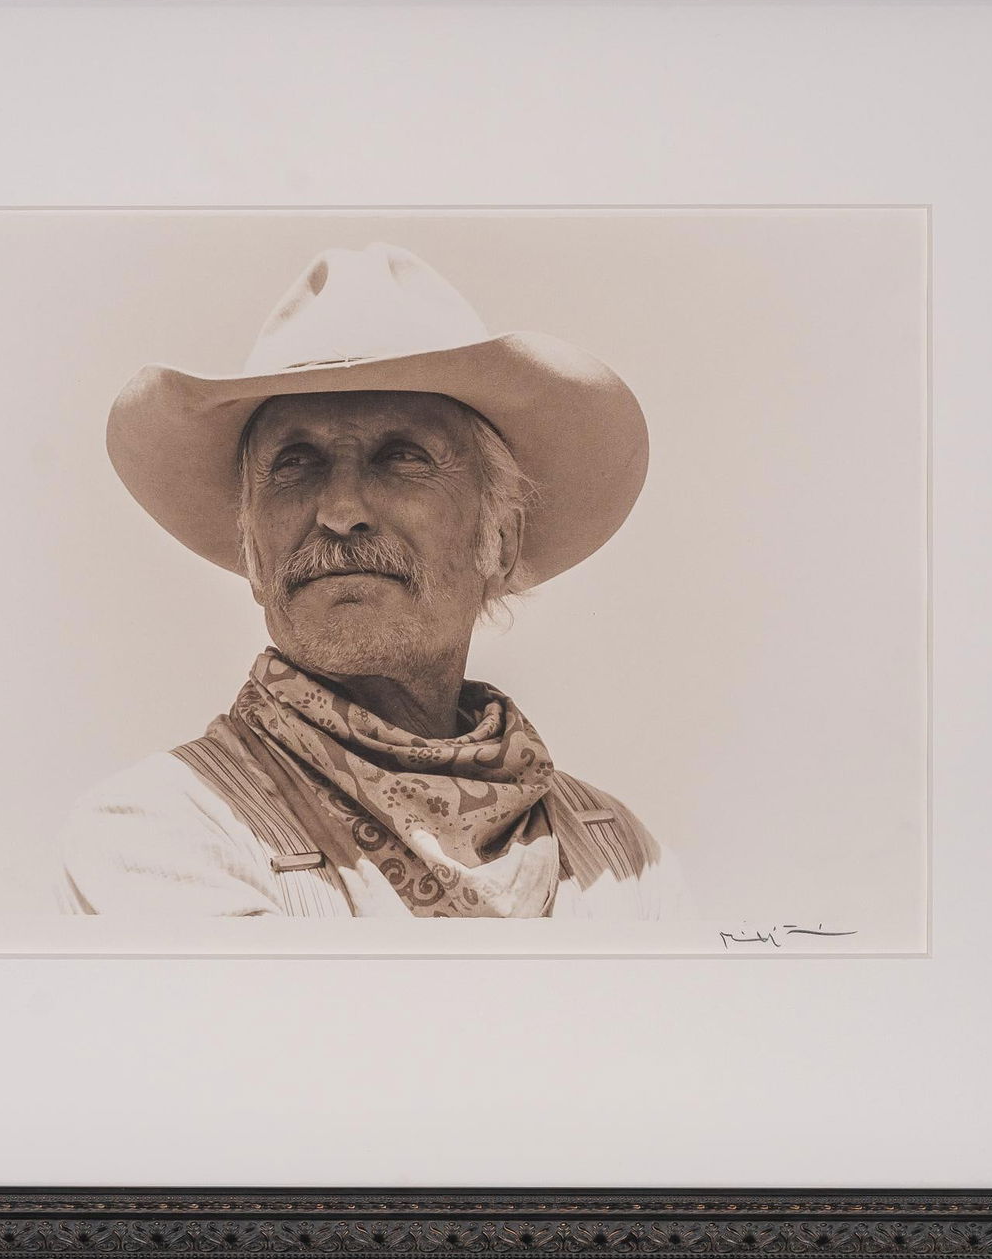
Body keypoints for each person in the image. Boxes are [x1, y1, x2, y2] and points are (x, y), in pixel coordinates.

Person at [58, 241, 671, 918]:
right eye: (295, 463)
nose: (340, 510)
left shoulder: (619, 860)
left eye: (400, 457)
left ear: (500, 539)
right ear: (253, 550)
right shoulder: (161, 829)